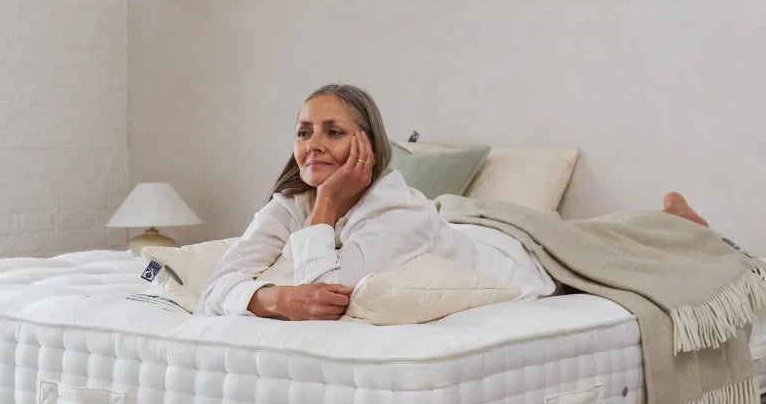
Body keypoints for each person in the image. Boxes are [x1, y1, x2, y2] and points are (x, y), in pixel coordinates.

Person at [195, 84, 715, 321]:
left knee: (606, 244)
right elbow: (218, 288)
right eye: (304, 131)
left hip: (511, 255)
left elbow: (325, 299)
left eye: (334, 132)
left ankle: (672, 223)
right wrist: (271, 300)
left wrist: (327, 206)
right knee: (597, 233)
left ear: (367, 145)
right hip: (461, 227)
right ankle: (668, 219)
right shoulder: (288, 204)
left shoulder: (394, 210)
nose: (313, 145)